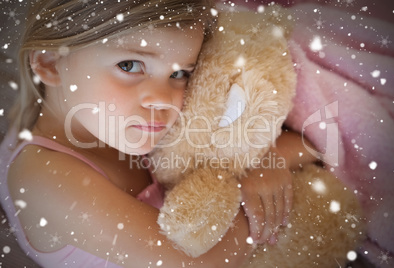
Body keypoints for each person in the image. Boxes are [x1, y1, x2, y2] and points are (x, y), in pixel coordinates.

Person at [0, 0, 317, 267]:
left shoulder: (113, 120)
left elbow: (312, 144)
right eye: (129, 65)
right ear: (50, 62)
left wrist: (266, 160)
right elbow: (197, 261)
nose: (166, 99)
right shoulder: (44, 179)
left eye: (180, 73)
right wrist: (246, 194)